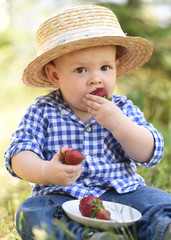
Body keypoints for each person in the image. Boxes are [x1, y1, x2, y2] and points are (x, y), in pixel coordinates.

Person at [4, 5, 171, 240]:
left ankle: (159, 230)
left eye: (105, 67)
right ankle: (85, 236)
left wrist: (119, 125)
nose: (96, 79)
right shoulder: (42, 111)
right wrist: (45, 171)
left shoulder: (122, 109)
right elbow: (18, 153)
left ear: (116, 67)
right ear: (54, 76)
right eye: (81, 70)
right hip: (63, 198)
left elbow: (148, 153)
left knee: (160, 201)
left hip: (122, 194)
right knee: (33, 212)